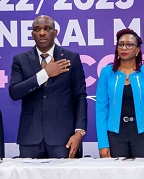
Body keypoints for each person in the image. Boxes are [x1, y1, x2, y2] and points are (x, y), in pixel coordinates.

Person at [8, 15, 88, 158]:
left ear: (55, 32)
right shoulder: (20, 59)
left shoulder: (71, 58)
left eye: (47, 29)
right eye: (37, 29)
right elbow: (15, 92)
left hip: (63, 137)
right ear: (32, 34)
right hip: (30, 138)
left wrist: (79, 131)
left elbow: (80, 97)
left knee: (64, 174)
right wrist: (45, 74)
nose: (42, 33)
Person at [95, 29, 144, 159]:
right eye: (121, 44)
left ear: (137, 50)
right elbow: (101, 110)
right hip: (114, 135)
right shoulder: (106, 73)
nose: (124, 48)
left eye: (129, 45)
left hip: (143, 135)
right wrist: (102, 143)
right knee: (116, 172)